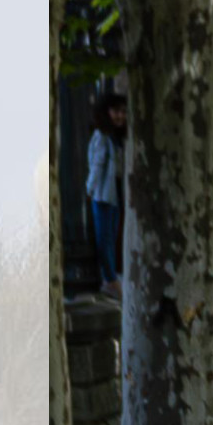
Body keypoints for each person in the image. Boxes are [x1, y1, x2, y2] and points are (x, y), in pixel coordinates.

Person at [86, 92, 127, 296]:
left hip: (114, 194)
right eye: (116, 111)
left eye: (123, 112)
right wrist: (90, 189)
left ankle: (110, 276)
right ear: (106, 112)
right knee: (105, 238)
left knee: (111, 236)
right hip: (103, 195)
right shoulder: (102, 136)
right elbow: (97, 164)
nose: (120, 116)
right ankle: (109, 279)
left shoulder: (117, 137)